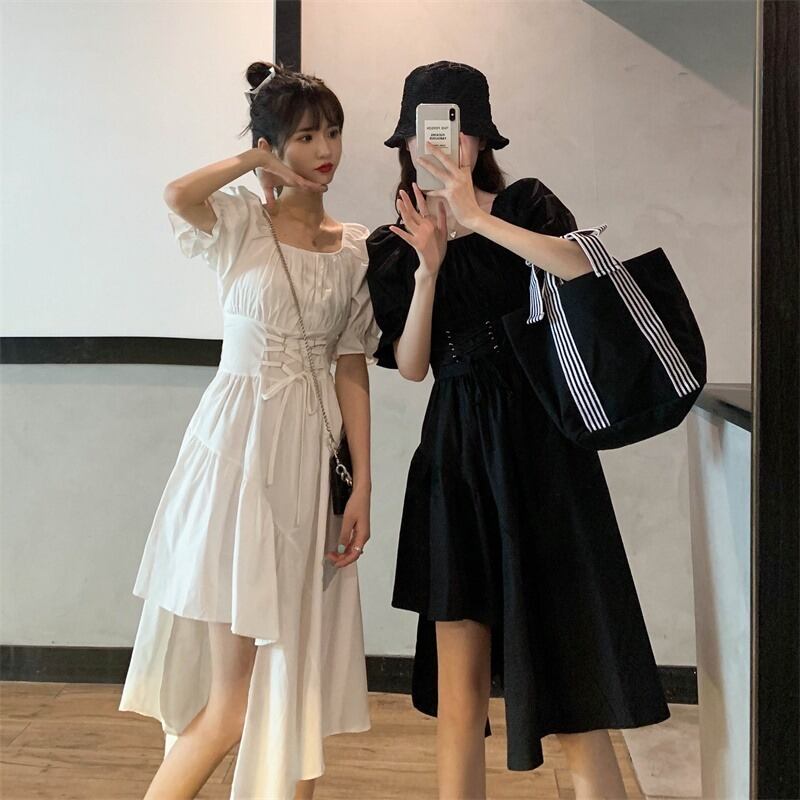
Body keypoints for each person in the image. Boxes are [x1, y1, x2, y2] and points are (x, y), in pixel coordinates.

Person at [366, 60, 669, 800]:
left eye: (455, 130)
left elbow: (582, 267)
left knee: (572, 684)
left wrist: (477, 219)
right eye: (422, 133)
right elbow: (412, 366)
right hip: (456, 454)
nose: (438, 146)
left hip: (542, 451)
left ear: (480, 138)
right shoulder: (393, 243)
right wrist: (430, 267)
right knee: (460, 698)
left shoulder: (526, 203)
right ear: (405, 142)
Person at [119, 61, 378, 800]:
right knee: (231, 704)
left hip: (311, 468)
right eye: (306, 136)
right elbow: (177, 195)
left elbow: (351, 367)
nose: (326, 149)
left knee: (295, 693)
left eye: (333, 132)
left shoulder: (354, 247)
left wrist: (363, 482)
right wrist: (251, 162)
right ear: (273, 146)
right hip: (235, 460)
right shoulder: (238, 222)